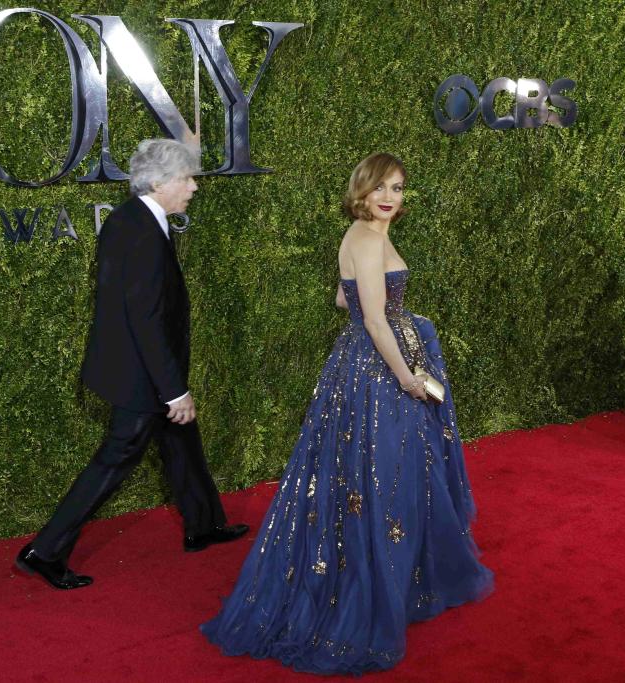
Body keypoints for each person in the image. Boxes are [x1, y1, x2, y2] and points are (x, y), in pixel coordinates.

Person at [201, 153, 493, 674]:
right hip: (380, 375)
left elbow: (345, 299)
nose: (390, 197)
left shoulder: (362, 236)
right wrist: (407, 375)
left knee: (376, 474)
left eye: (399, 188)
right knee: (386, 477)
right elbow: (376, 322)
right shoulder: (367, 237)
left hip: (358, 366)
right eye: (380, 187)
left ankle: (392, 582)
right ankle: (369, 592)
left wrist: (388, 313)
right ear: (361, 189)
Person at [15, 139, 248, 590]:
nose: (194, 187)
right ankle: (44, 552)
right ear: (160, 182)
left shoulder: (133, 219)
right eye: (186, 178)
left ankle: (204, 524)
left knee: (181, 439)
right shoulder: (141, 229)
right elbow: (144, 319)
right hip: (140, 372)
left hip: (141, 366)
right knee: (117, 456)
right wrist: (173, 389)